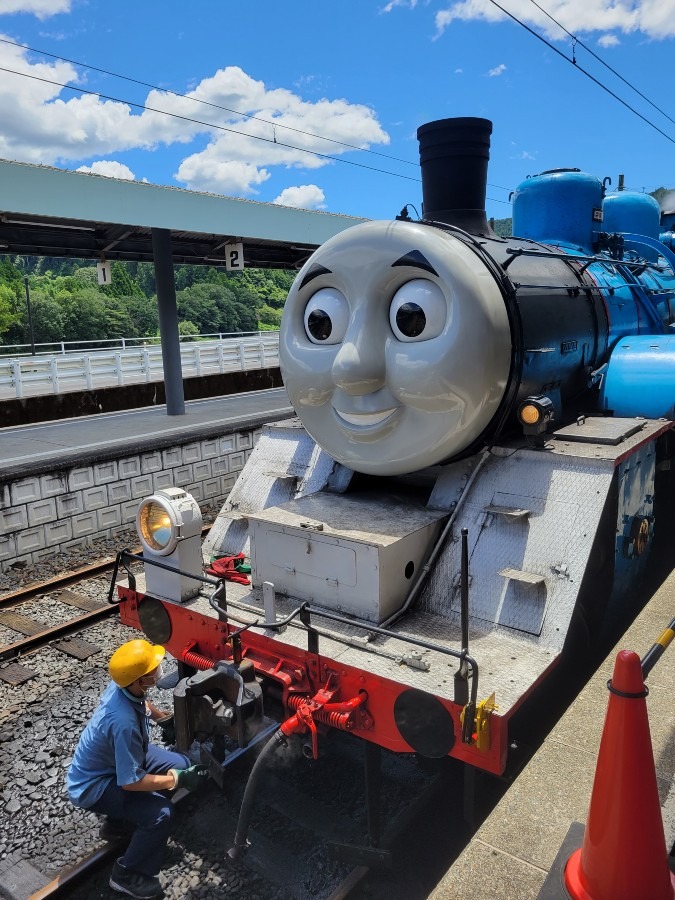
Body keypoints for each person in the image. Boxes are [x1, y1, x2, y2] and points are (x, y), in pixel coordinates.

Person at [67, 639, 209, 899]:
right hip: (94, 785)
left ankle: (120, 823)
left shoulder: (122, 685)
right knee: (161, 813)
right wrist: (175, 780)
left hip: (113, 763)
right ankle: (128, 875)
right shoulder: (124, 725)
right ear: (137, 680)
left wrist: (161, 717)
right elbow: (131, 783)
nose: (157, 673)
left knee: (181, 761)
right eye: (152, 672)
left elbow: (140, 704)